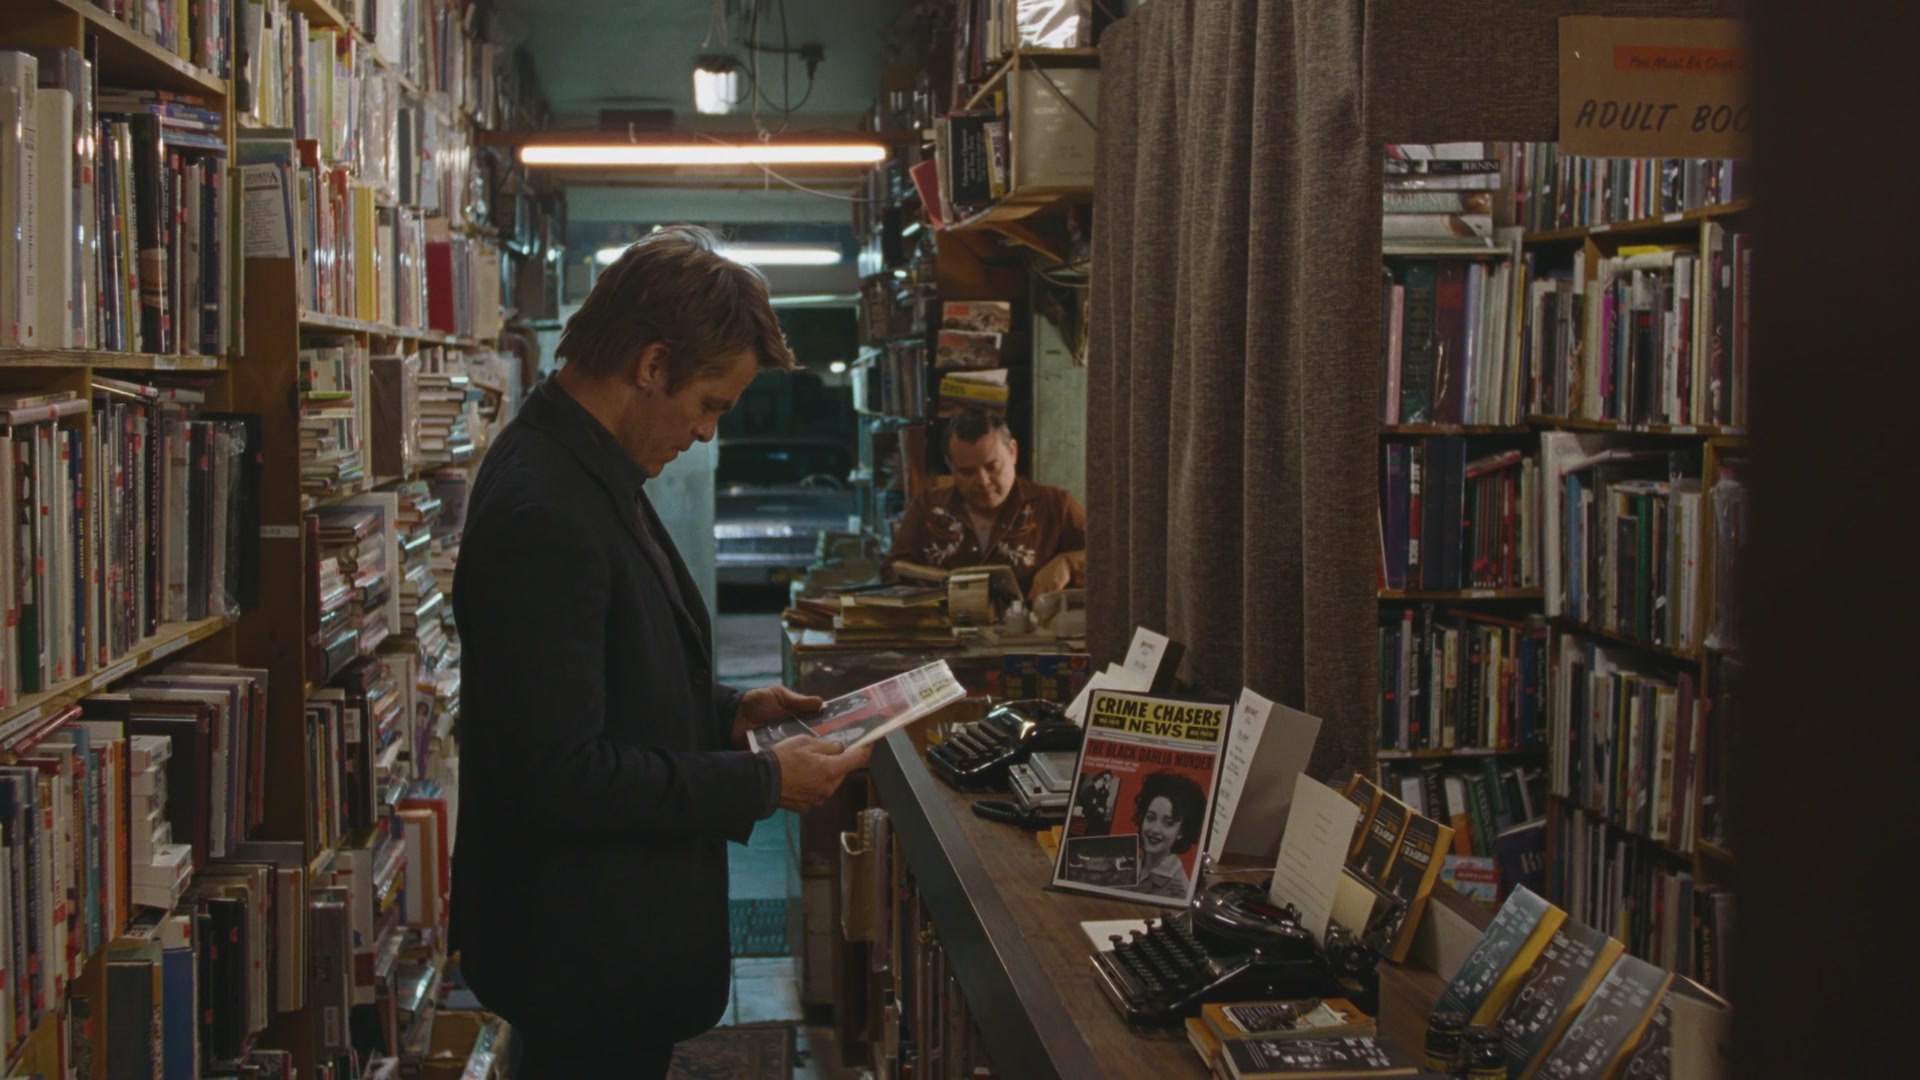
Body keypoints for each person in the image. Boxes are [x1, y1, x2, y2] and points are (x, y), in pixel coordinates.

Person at [449, 226, 872, 1079]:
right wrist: (763, 781)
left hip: (597, 952)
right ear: (652, 365)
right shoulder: (549, 506)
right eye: (709, 404)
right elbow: (561, 774)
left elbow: (599, 678)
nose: (708, 433)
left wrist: (730, 711)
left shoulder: (584, 464)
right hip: (582, 958)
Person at [885, 408, 1087, 602]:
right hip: (944, 624)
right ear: (950, 465)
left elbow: (1102, 555)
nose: (982, 481)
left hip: (1033, 624)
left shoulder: (1056, 504)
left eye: (992, 467)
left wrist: (1068, 564)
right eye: (967, 472)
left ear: (1013, 452)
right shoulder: (926, 507)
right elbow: (891, 573)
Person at [1127, 771, 1209, 900]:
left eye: (1168, 823)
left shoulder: (1181, 890)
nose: (1155, 829)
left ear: (1181, 832)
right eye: (1151, 818)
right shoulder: (1128, 864)